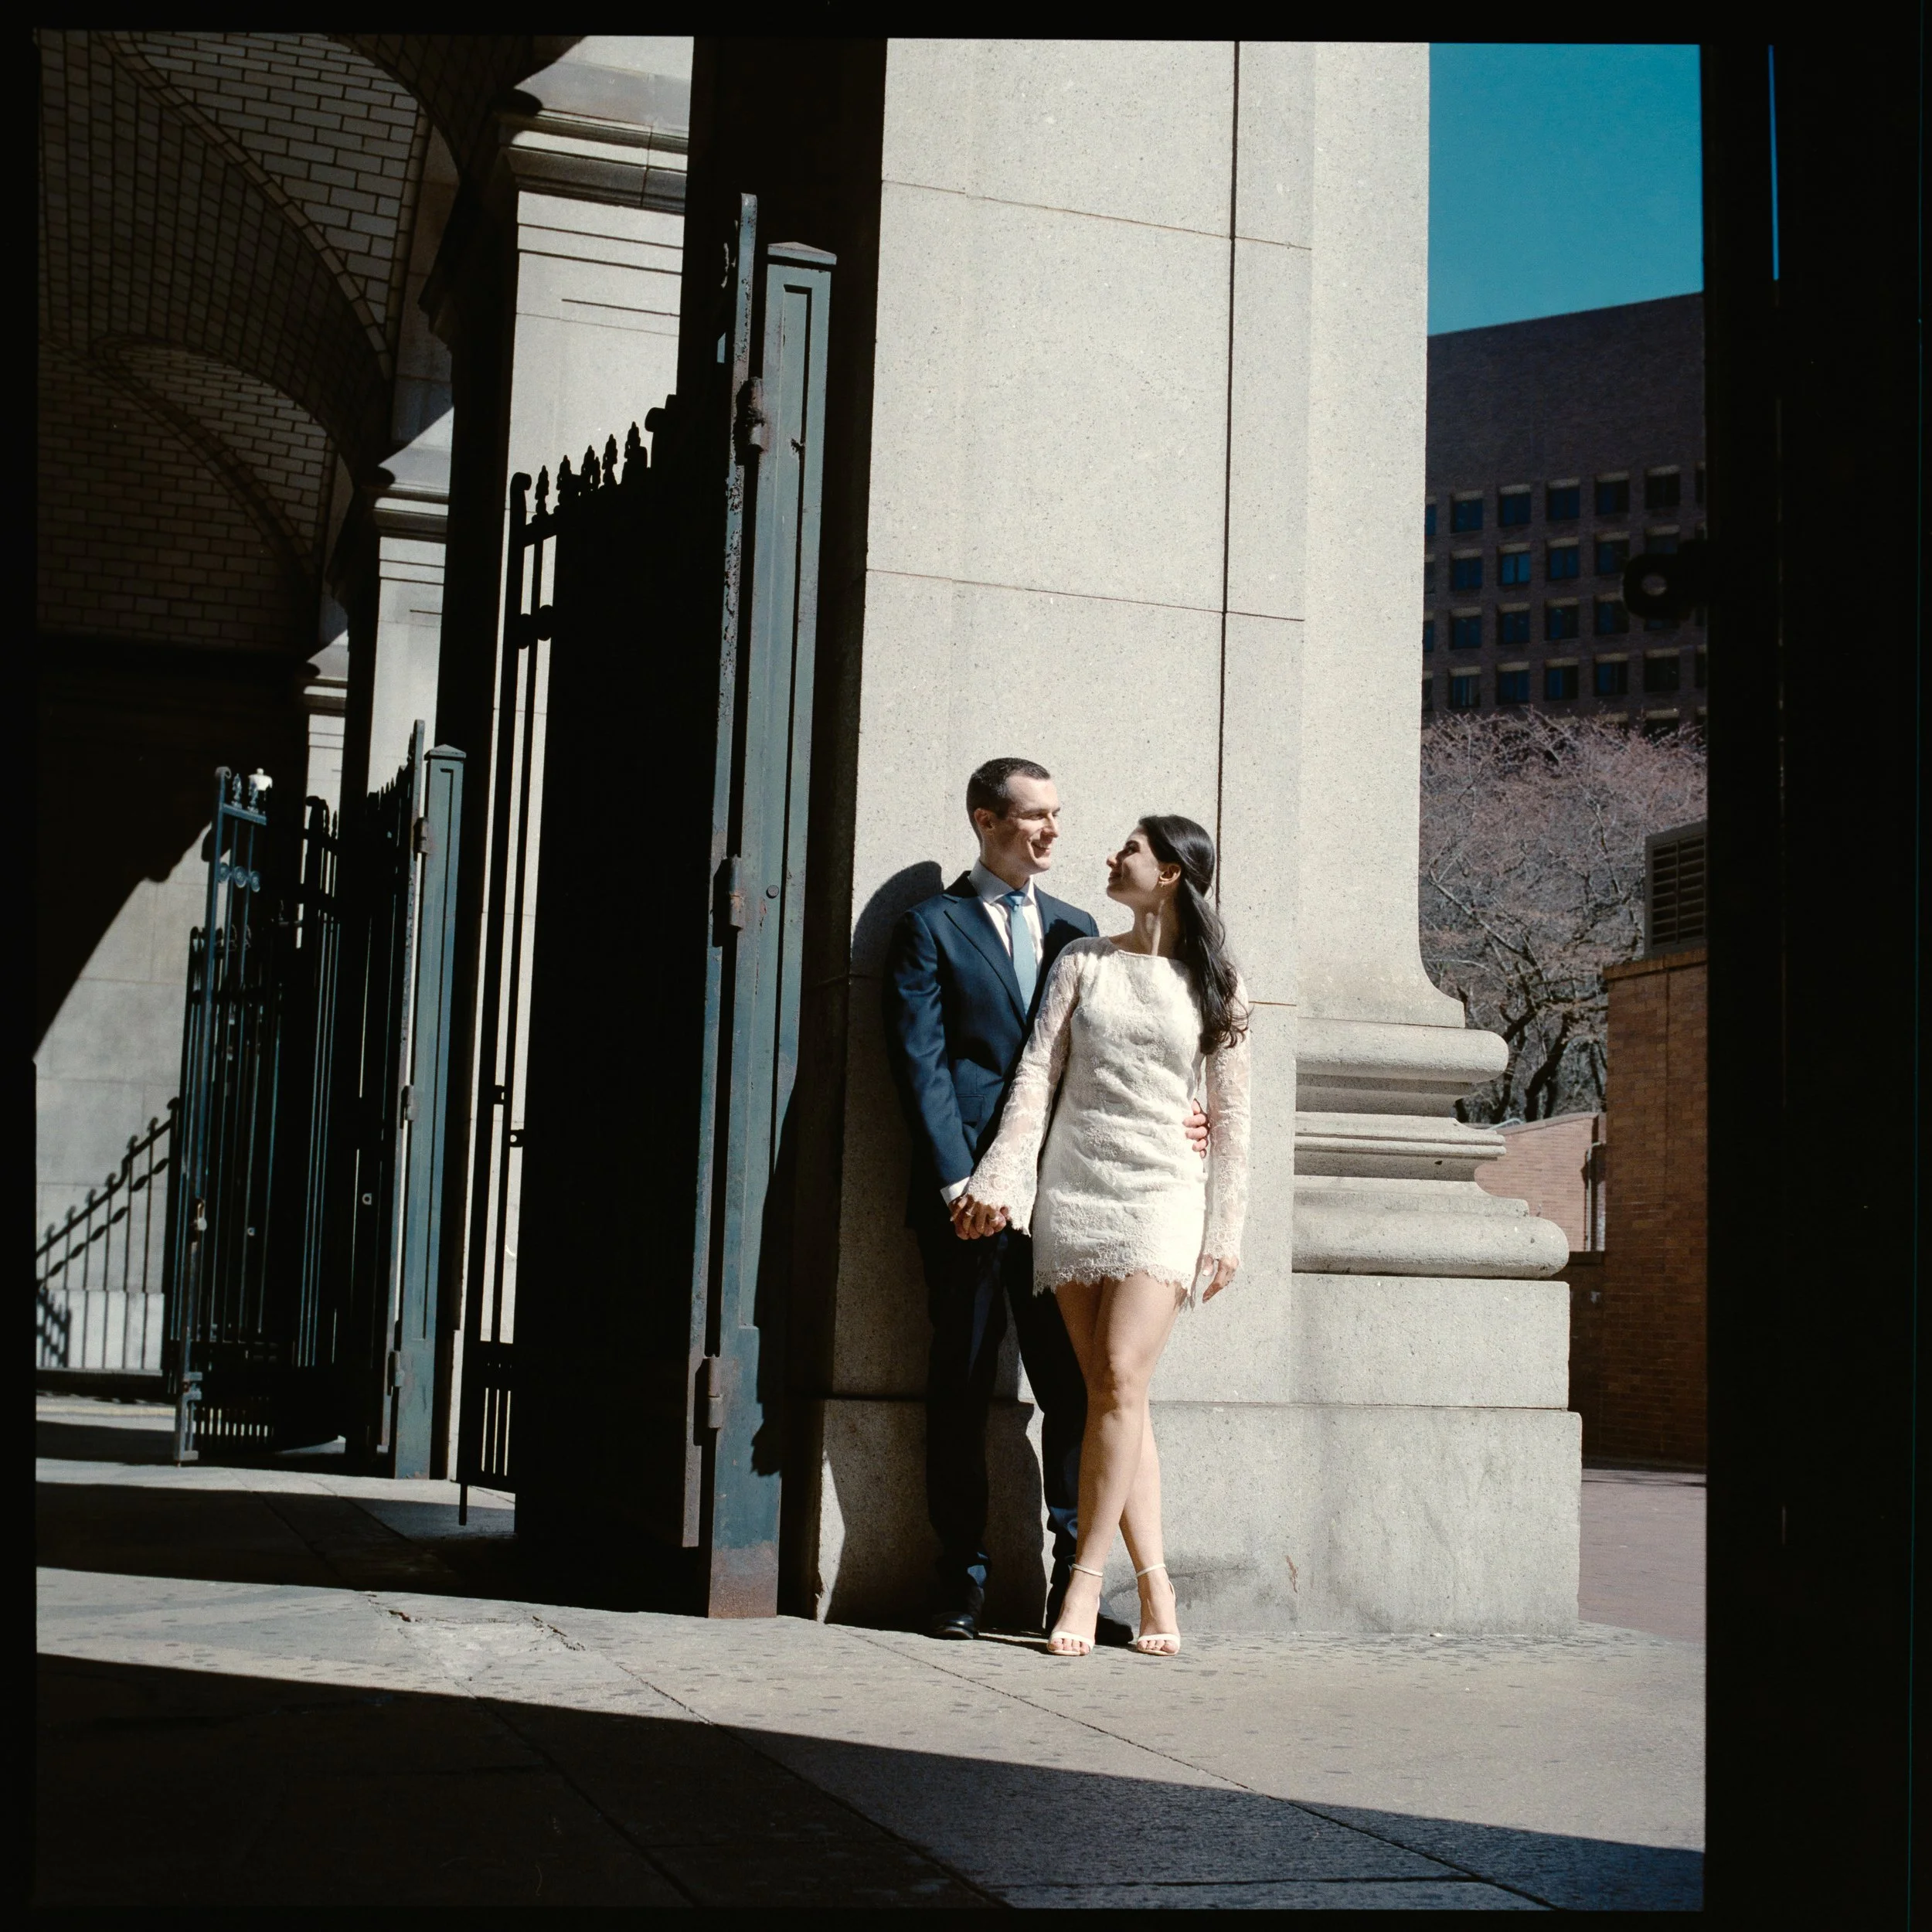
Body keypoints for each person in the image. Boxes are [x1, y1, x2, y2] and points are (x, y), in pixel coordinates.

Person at [883, 760, 1210, 1643]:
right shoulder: (931, 926)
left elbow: (1121, 1055)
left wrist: (1193, 1114)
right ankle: (959, 1581)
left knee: (1081, 1389)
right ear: (986, 820)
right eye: (1034, 816)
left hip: (1070, 1195)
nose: (1053, 831)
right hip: (969, 1201)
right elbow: (920, 1062)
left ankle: (1080, 1578)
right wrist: (962, 1183)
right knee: (960, 1385)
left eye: (1058, 814)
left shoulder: (1078, 931)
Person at [954, 813, 1251, 1658]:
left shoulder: (1220, 984)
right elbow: (1036, 1075)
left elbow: (1233, 1119)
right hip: (1076, 1191)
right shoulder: (1082, 960)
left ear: (1171, 873)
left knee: (1119, 1373)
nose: (1112, 857)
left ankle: (1084, 1582)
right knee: (1113, 1395)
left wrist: (1225, 1229)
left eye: (1131, 850)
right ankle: (1157, 1587)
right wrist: (1002, 1180)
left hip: (1163, 1194)